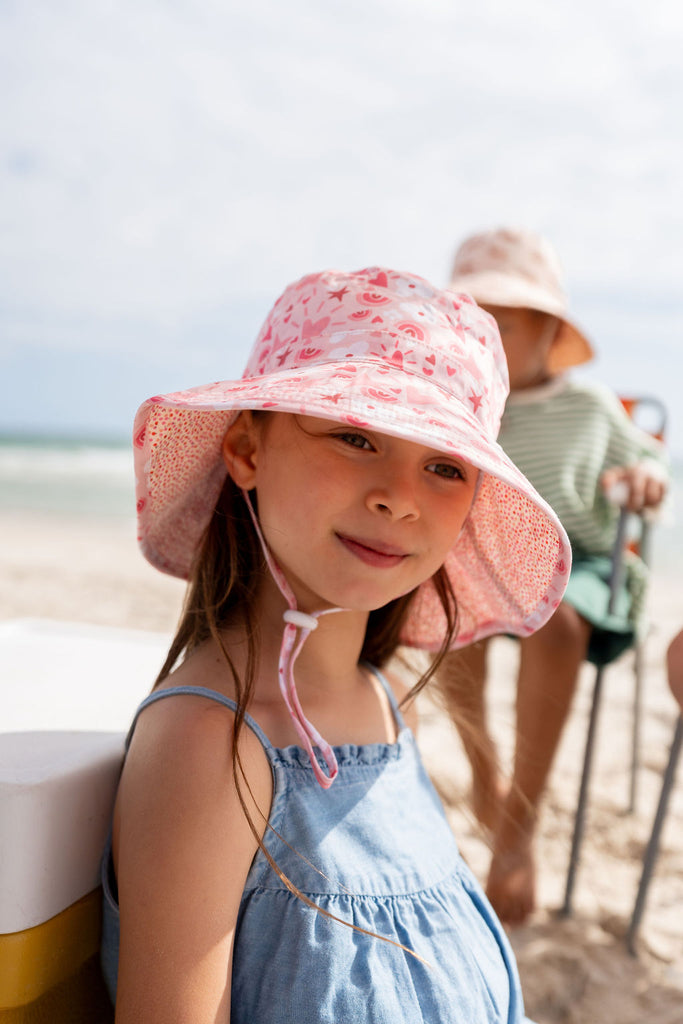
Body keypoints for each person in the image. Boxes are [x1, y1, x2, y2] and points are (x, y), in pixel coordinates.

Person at [99, 266, 571, 1023]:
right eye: (356, 436)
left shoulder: (387, 708)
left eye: (444, 465)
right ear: (247, 450)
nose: (399, 496)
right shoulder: (209, 744)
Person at [436, 228, 669, 926]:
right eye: (469, 329)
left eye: (501, 326)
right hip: (487, 562)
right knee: (448, 614)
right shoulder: (464, 408)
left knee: (555, 620)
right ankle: (483, 772)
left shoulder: (591, 406)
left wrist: (642, 478)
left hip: (581, 563)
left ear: (548, 333)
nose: (483, 344)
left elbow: (648, 460)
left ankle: (517, 830)